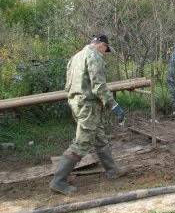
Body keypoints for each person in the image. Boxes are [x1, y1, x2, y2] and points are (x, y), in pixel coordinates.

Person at [49, 34, 127, 195]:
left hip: (76, 102)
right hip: (88, 105)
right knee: (82, 142)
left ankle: (113, 171)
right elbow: (99, 86)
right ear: (103, 45)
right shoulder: (94, 56)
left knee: (99, 137)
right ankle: (59, 181)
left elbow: (68, 85)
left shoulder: (76, 57)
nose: (105, 53)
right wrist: (114, 106)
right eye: (106, 50)